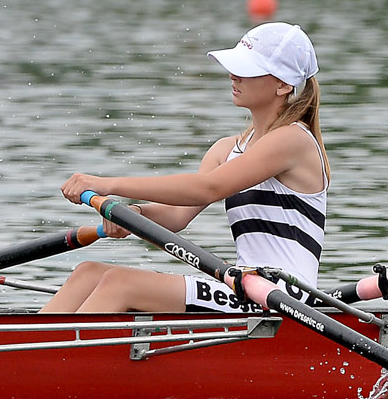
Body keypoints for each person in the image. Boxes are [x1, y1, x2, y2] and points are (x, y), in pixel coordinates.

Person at [42, 21, 327, 314]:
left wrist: (107, 184)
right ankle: (29, 354)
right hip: (245, 285)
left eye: (246, 69)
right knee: (88, 272)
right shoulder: (225, 149)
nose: (233, 75)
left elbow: (206, 189)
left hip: (287, 297)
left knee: (119, 283)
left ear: (283, 84)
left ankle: (58, 358)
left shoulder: (293, 139)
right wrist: (133, 215)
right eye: (234, 66)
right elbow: (177, 215)